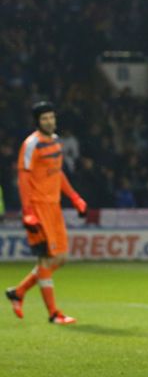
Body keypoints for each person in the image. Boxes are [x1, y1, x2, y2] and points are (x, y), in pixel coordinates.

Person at [5, 101, 88, 325]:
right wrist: (28, 212)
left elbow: (57, 173)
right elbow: (23, 178)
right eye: (45, 119)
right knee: (46, 259)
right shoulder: (31, 144)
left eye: (51, 117)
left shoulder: (56, 141)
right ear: (37, 122)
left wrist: (75, 197)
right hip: (38, 207)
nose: (49, 121)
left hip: (54, 206)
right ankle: (53, 314)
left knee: (60, 258)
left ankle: (19, 292)